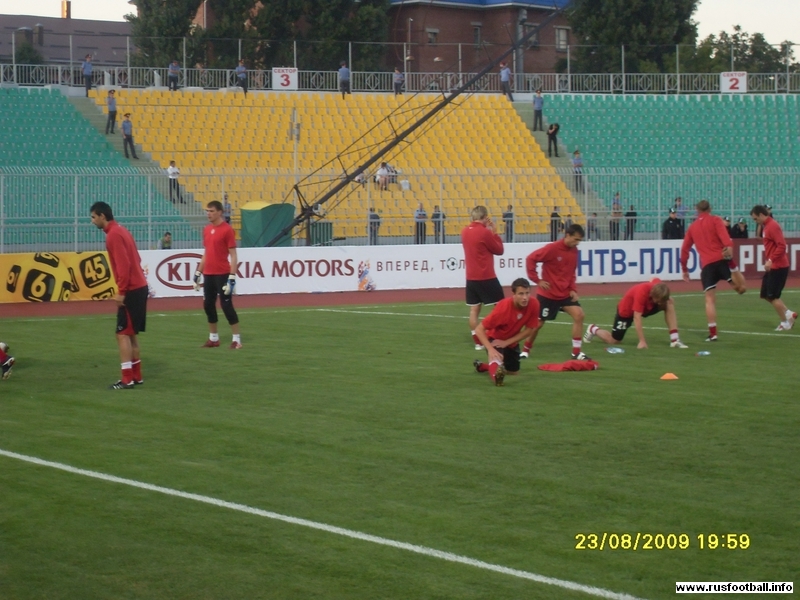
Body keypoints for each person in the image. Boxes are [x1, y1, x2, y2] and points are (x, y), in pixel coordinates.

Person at [90, 201, 149, 389]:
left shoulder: (113, 235)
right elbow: (136, 258)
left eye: (93, 217)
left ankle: (127, 379)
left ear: (102, 216)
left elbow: (124, 265)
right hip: (139, 286)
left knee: (122, 334)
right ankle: (136, 375)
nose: (92, 221)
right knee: (131, 335)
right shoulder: (122, 230)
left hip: (131, 289)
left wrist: (121, 292)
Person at [523, 224, 588, 360]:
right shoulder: (552, 248)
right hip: (548, 294)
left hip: (565, 293)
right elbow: (531, 259)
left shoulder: (574, 251)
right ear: (567, 235)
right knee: (538, 324)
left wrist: (573, 289)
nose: (577, 243)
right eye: (576, 239)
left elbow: (571, 272)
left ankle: (576, 352)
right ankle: (525, 350)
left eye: (579, 240)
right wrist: (537, 280)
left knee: (579, 315)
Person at [680, 200, 742, 342]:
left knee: (709, 299)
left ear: (697, 210)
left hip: (707, 266)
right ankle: (739, 281)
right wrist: (729, 248)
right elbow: (726, 239)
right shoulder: (715, 220)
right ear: (710, 209)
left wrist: (684, 269)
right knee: (740, 289)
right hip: (721, 261)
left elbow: (684, 250)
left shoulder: (692, 227)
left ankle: (713, 334)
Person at [584, 278, 688, 350]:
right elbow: (637, 317)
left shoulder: (659, 287)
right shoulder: (642, 292)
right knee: (614, 341)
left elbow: (654, 278)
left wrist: (664, 300)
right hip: (626, 312)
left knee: (669, 302)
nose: (660, 303)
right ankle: (593, 329)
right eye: (659, 300)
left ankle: (674, 339)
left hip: (647, 307)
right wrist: (642, 341)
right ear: (654, 295)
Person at [473, 278, 540, 386]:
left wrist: (507, 342)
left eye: (527, 293)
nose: (525, 297)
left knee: (513, 372)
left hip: (511, 341)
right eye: (521, 294)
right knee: (496, 358)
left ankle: (483, 367)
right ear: (513, 294)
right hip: (495, 338)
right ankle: (497, 379)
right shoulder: (502, 309)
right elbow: (479, 329)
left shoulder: (534, 304)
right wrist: (490, 349)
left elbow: (530, 330)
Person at [194, 201, 242, 349]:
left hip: (222, 273)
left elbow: (233, 255)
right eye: (207, 211)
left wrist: (232, 276)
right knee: (208, 305)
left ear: (220, 212)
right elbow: (206, 253)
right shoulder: (207, 229)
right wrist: (198, 272)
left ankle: (237, 339)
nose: (208, 213)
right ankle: (213, 338)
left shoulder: (227, 230)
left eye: (212, 211)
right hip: (209, 274)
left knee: (226, 305)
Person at [461, 205, 505, 350]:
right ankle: (494, 334)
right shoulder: (484, 232)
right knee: (501, 306)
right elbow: (499, 250)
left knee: (474, 310)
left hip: (471, 277)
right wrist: (495, 232)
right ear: (485, 217)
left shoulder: (464, 231)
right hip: (486, 276)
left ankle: (478, 342)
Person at [750, 205, 796, 331]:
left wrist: (771, 260)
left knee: (772, 296)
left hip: (778, 266)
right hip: (773, 267)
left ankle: (785, 322)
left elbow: (782, 245)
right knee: (765, 294)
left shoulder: (773, 226)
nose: (755, 221)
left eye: (755, 219)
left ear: (761, 215)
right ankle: (789, 314)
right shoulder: (767, 226)